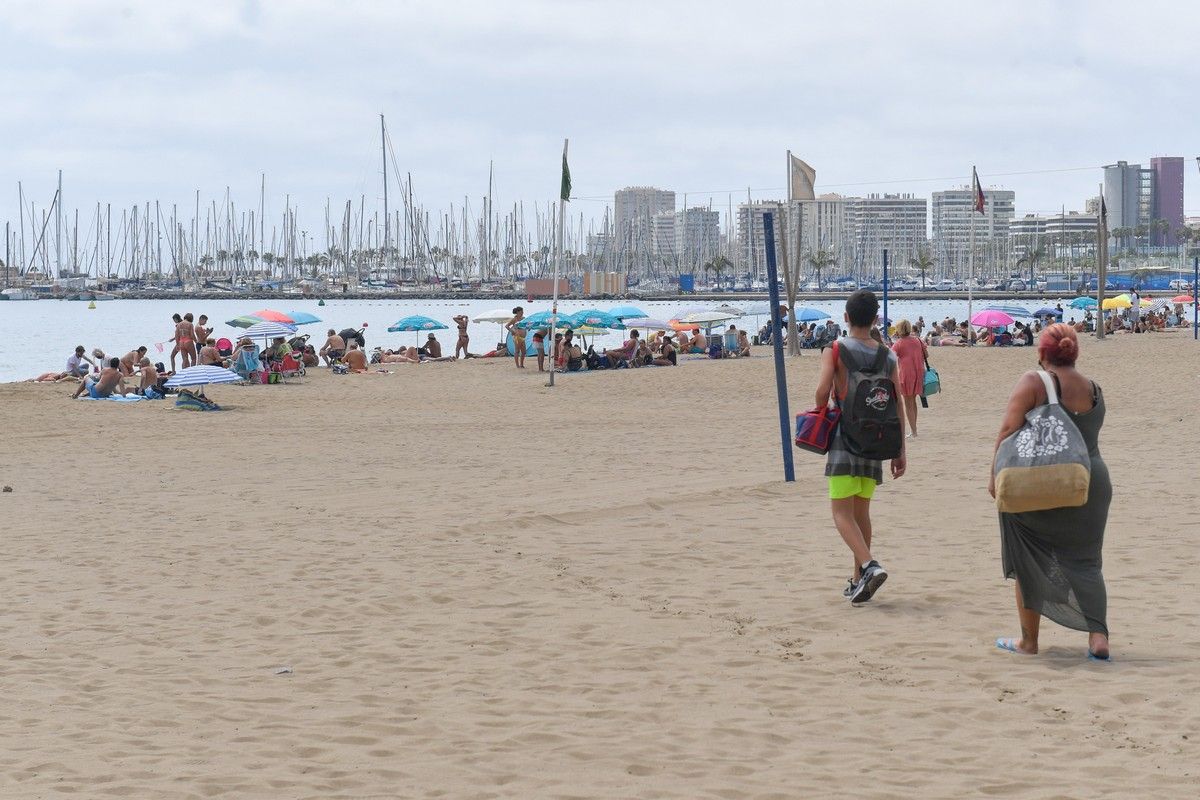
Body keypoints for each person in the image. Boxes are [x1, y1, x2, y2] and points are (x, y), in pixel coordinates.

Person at [990, 324, 1112, 661]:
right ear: (1074, 352)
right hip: (1089, 481)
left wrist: (993, 474)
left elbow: (1007, 429)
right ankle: (1098, 637)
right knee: (1088, 561)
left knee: (1026, 556)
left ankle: (1029, 642)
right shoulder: (1093, 389)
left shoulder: (1034, 381)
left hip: (1041, 481)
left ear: (1042, 352)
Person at [813, 290, 905, 604]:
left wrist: (821, 408)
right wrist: (900, 449)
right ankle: (858, 580)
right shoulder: (887, 355)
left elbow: (822, 391)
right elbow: (896, 403)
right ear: (876, 319)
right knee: (861, 513)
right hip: (876, 440)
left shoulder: (835, 348)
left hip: (843, 438)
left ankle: (869, 565)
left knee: (840, 512)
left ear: (846, 317)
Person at [890, 319, 927, 439]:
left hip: (906, 374)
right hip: (919, 372)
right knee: (913, 401)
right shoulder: (918, 340)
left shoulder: (899, 343)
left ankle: (914, 431)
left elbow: (891, 357)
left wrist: (891, 341)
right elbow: (926, 354)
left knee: (908, 403)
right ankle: (914, 428)